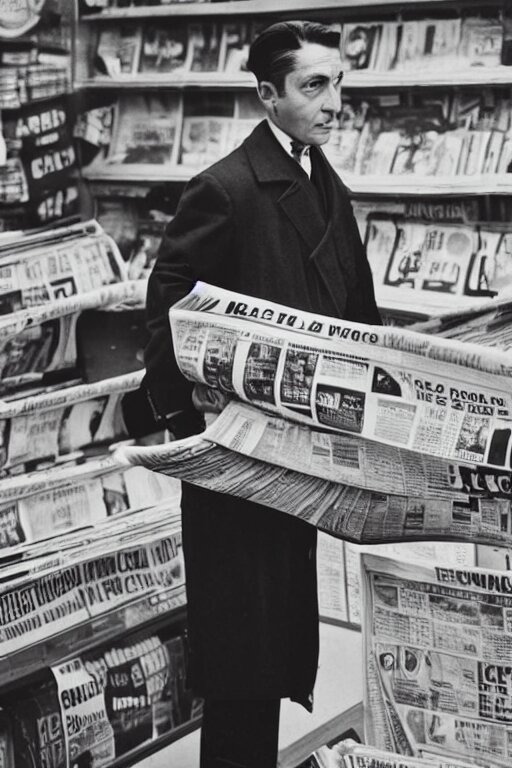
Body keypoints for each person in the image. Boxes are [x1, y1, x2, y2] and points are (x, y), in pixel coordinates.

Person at [141, 20, 381, 768]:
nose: (334, 101)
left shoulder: (320, 176)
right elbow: (166, 307)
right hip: (239, 467)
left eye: (339, 82)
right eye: (315, 85)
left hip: (298, 457)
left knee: (272, 651)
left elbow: (355, 303)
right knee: (243, 664)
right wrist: (192, 428)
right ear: (266, 95)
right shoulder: (226, 187)